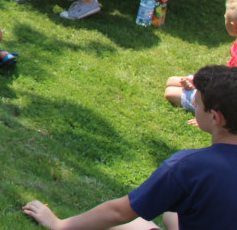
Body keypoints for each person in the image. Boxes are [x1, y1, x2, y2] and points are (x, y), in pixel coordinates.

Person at [23, 64, 237, 230]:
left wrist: (60, 225)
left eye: (197, 103)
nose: (195, 107)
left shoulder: (188, 167)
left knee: (134, 223)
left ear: (215, 117)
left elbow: (120, 212)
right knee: (172, 215)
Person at [165, 0, 237, 117]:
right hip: (222, 86)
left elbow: (230, 91)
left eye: (225, 18)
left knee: (170, 93)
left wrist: (207, 117)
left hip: (225, 100)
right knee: (171, 81)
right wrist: (199, 82)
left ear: (234, 25)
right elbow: (227, 74)